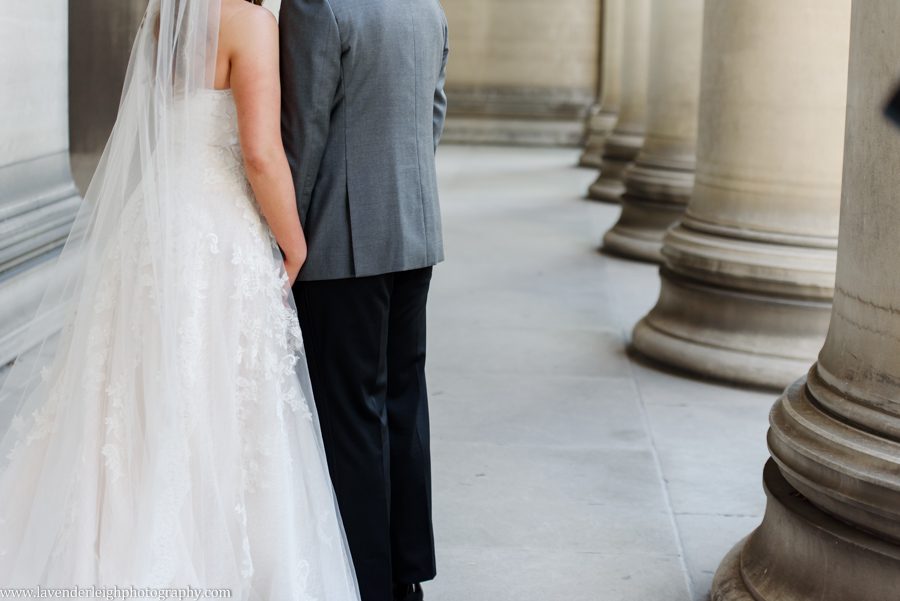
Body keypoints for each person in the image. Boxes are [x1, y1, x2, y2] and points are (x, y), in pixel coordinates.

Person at [0, 0, 360, 598]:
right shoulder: (250, 24)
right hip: (216, 232)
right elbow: (261, 154)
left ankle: (119, 532)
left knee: (135, 388)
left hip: (152, 227)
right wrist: (295, 244)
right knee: (215, 389)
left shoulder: (165, 19)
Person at [279, 1, 449, 600]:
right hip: (415, 231)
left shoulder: (315, 5)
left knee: (351, 416)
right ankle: (407, 573)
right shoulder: (424, 6)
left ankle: (368, 583)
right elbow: (434, 113)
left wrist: (282, 241)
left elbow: (303, 133)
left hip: (339, 242)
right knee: (403, 403)